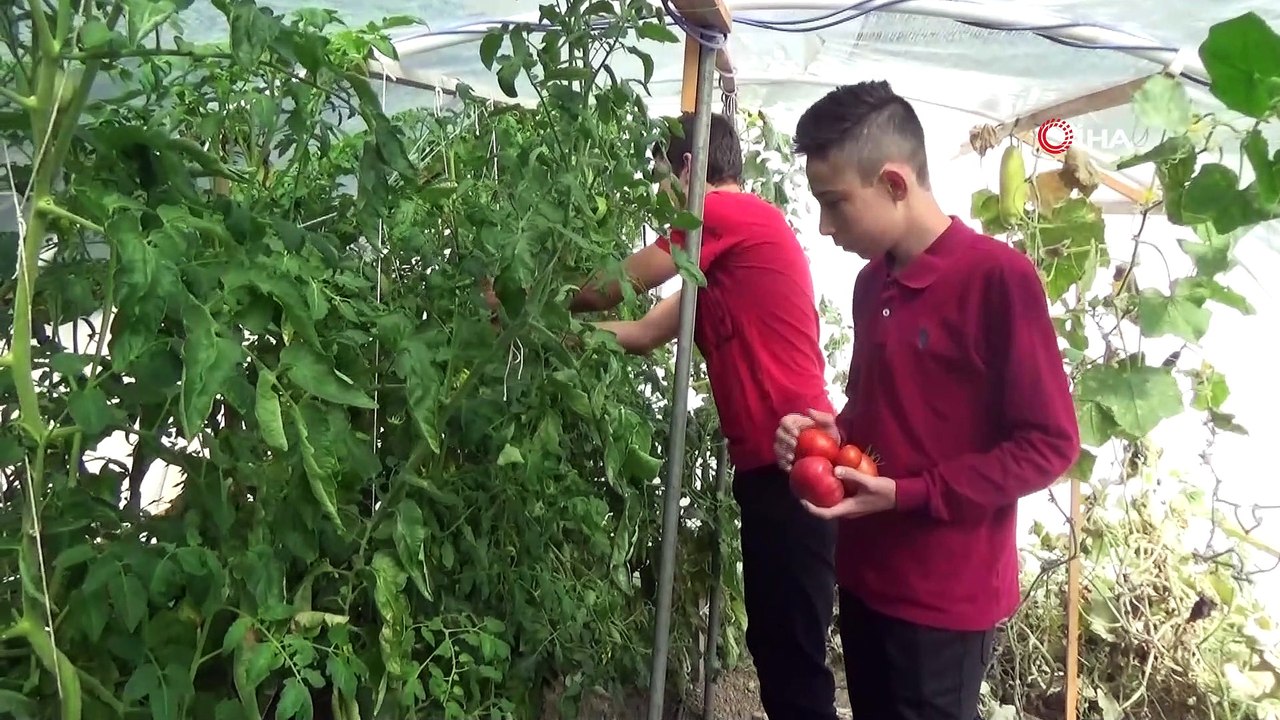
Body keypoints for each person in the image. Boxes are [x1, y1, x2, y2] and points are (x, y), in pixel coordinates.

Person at [772, 81, 1080, 720]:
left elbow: (1050, 446)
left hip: (944, 600)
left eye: (835, 203)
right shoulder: (870, 284)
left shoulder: (997, 279)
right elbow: (880, 414)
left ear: (894, 182)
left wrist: (910, 493)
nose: (825, 226)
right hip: (865, 577)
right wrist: (827, 436)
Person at [576, 112, 841, 720]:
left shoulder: (722, 214)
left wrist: (534, 295)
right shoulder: (715, 262)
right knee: (775, 644)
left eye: (660, 177)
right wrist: (553, 334)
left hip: (799, 459)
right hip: (768, 469)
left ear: (689, 168)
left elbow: (614, 286)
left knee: (794, 657)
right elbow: (644, 331)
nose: (660, 195)